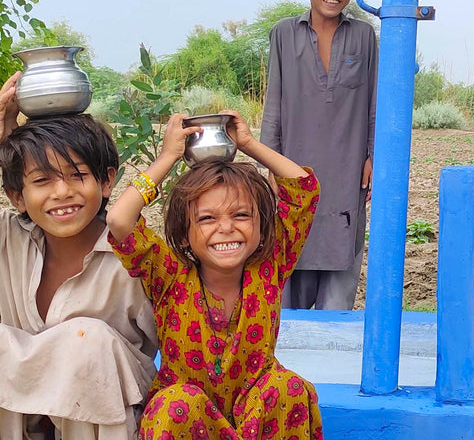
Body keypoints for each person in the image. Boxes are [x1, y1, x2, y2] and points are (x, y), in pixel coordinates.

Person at [105, 110, 323, 439]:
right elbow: (120, 221)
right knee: (176, 402)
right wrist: (167, 157)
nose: (226, 229)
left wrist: (248, 143)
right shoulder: (169, 276)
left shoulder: (269, 267)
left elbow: (304, 190)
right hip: (190, 423)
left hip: (257, 416)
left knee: (287, 387)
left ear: (262, 228)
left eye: (240, 215)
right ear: (183, 234)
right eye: (207, 219)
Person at [0, 72, 158, 440]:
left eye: (76, 175)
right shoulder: (9, 239)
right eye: (41, 181)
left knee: (87, 341)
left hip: (108, 418)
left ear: (106, 182)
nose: (61, 192)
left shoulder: (132, 257)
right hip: (20, 415)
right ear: (17, 196)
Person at [262, 0, 377, 310]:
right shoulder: (283, 33)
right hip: (293, 170)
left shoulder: (364, 36)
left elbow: (375, 102)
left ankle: (331, 355)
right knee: (288, 268)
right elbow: (274, 103)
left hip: (347, 172)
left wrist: (374, 156)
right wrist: (269, 163)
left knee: (340, 272)